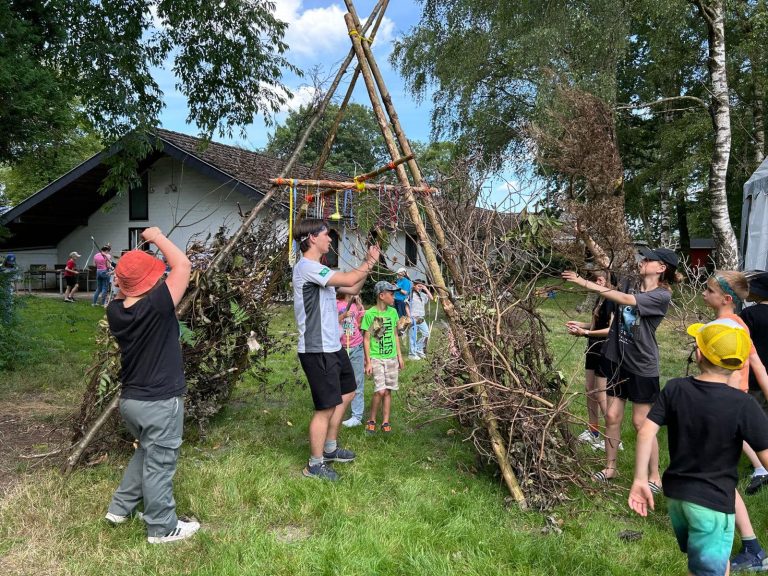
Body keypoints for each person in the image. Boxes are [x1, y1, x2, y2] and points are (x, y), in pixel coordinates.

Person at [629, 318, 768, 576]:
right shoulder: (743, 404)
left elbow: (646, 431)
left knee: (709, 564)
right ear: (739, 363)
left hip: (678, 499)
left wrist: (640, 478)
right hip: (712, 505)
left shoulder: (675, 388)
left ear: (699, 353)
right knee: (707, 568)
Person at [104, 226, 200, 544]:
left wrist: (126, 273)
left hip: (131, 401)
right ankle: (161, 526)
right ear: (151, 282)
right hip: (160, 402)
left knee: (147, 452)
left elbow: (124, 290)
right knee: (160, 462)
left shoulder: (115, 310)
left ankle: (120, 508)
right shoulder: (158, 305)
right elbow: (183, 265)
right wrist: (156, 237)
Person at [562, 246, 678, 489]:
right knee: (612, 416)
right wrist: (585, 235)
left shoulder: (661, 296)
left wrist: (583, 282)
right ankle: (610, 468)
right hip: (617, 360)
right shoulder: (631, 283)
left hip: (641, 367)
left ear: (661, 268)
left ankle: (654, 476)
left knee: (640, 423)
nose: (643, 261)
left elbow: (626, 301)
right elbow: (607, 262)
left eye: (649, 259)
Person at [292, 218, 380, 481]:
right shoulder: (307, 268)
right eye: (325, 235)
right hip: (316, 349)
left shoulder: (319, 270)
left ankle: (329, 448)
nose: (330, 239)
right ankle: (314, 465)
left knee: (348, 391)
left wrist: (367, 267)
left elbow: (352, 286)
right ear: (312, 239)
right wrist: (370, 261)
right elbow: (352, 276)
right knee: (325, 407)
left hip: (333, 346)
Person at [698, 271, 768, 572]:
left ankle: (750, 547)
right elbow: (759, 367)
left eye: (709, 289)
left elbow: (710, 374)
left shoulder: (717, 328)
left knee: (716, 477)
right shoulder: (741, 324)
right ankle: (749, 544)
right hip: (734, 407)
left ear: (726, 299)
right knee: (717, 476)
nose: (703, 292)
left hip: (719, 411)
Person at [565, 270, 614, 451]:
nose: (597, 281)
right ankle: (593, 431)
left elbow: (611, 329)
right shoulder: (599, 298)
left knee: (602, 394)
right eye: (596, 279)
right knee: (589, 389)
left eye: (601, 278)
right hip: (592, 347)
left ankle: (612, 437)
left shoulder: (612, 301)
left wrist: (586, 333)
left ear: (611, 281)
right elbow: (595, 325)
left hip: (605, 349)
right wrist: (580, 325)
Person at [362, 281, 403, 434]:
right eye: (391, 294)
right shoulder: (371, 314)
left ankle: (385, 421)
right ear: (381, 295)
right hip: (376, 358)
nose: (394, 297)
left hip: (391, 357)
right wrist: (368, 362)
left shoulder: (392, 312)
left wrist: (399, 356)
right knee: (380, 390)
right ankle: (371, 418)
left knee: (388, 391)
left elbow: (395, 335)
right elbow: (366, 339)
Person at [338, 292, 366, 428]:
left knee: (357, 381)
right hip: (340, 347)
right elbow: (329, 322)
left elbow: (359, 323)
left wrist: (360, 305)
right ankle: (336, 412)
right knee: (338, 382)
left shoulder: (355, 305)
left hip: (356, 346)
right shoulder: (336, 304)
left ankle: (357, 416)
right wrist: (343, 316)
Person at [408, 279, 433, 360]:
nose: (420, 288)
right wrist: (409, 317)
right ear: (414, 286)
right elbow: (406, 306)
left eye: (421, 286)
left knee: (426, 333)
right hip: (413, 318)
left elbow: (431, 298)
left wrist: (425, 289)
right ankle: (412, 354)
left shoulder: (423, 295)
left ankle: (419, 349)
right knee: (413, 336)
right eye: (418, 286)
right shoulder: (410, 294)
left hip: (421, 318)